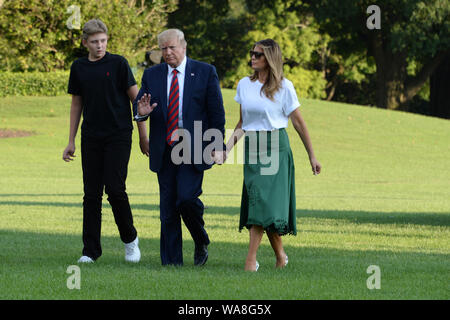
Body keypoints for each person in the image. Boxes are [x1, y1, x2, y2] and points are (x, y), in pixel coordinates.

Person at [225, 39, 321, 271]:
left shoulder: (285, 87)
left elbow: (298, 122)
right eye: (252, 53)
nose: (253, 57)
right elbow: (242, 123)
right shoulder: (243, 85)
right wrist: (226, 149)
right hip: (253, 148)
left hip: (276, 147)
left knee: (263, 205)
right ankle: (281, 255)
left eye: (258, 54)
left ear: (269, 58)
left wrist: (312, 156)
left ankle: (250, 261)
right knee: (260, 203)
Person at [133, 29, 226, 266]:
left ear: (184, 46)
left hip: (194, 146)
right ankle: (172, 263)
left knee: (186, 199)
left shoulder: (205, 72)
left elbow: (216, 113)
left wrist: (218, 145)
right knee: (168, 208)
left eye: (172, 47)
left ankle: (200, 239)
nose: (167, 52)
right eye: (163, 48)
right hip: (164, 147)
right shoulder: (152, 74)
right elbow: (140, 106)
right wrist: (141, 114)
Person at [62, 19, 142, 264]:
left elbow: (136, 100)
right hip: (91, 137)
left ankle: (130, 241)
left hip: (118, 135)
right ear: (85, 42)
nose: (100, 46)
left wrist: (144, 135)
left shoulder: (118, 63)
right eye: (95, 42)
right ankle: (90, 251)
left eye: (103, 41)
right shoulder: (78, 67)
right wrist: (71, 140)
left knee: (115, 190)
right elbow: (77, 104)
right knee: (91, 194)